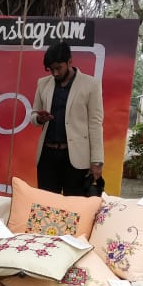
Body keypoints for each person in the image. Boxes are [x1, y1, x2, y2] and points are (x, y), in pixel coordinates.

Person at [32, 42, 105, 196]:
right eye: (51, 69)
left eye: (59, 68)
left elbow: (95, 123)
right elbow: (33, 116)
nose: (55, 73)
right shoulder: (42, 83)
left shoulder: (91, 84)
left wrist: (97, 160)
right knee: (46, 206)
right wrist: (39, 118)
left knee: (75, 208)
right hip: (47, 156)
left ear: (70, 62)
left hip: (77, 158)